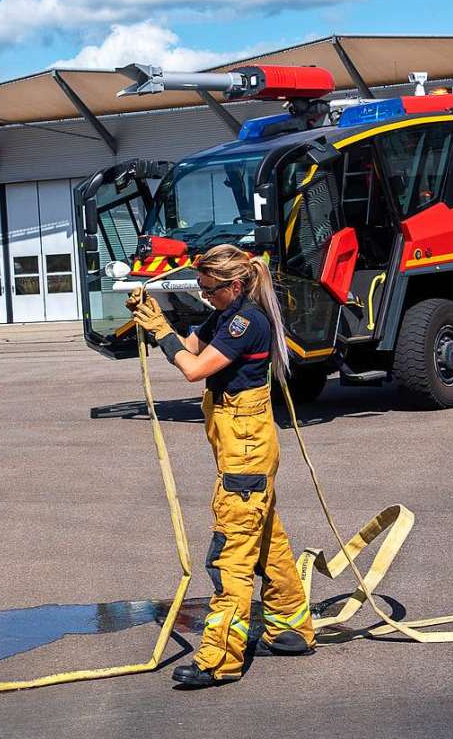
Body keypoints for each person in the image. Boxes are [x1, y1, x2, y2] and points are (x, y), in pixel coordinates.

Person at [129, 243, 316, 688]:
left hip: (246, 453)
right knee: (267, 542)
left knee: (230, 555)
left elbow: (194, 368)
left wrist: (160, 331)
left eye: (210, 288)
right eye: (200, 287)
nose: (204, 294)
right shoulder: (224, 314)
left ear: (234, 285)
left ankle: (220, 659)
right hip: (241, 447)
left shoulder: (246, 322)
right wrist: (160, 319)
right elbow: (190, 345)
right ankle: (290, 627)